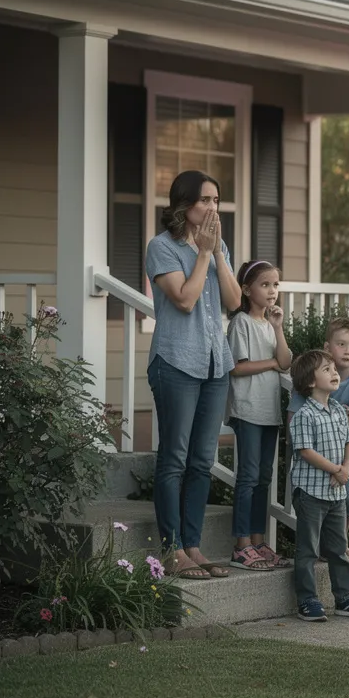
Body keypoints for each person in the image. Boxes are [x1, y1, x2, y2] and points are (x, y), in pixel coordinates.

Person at [145, 170, 240, 580]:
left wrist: (216, 253)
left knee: (202, 461)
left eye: (216, 200)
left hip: (215, 364)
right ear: (184, 205)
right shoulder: (161, 247)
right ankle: (172, 550)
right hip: (176, 362)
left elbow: (234, 301)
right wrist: (202, 254)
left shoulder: (219, 247)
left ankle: (193, 546)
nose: (212, 207)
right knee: (174, 459)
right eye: (205, 200)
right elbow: (184, 300)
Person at [287, 349, 349, 621]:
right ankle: (307, 601)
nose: (335, 373)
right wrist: (335, 469)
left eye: (334, 369)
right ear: (310, 381)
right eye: (327, 370)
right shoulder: (304, 414)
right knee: (308, 550)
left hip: (336, 493)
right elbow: (305, 451)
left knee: (338, 548)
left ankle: (345, 598)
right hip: (310, 493)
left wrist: (345, 468)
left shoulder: (338, 410)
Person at [227, 260, 294, 570]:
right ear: (246, 289)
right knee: (248, 476)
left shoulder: (269, 325)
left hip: (269, 412)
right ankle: (241, 545)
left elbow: (286, 361)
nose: (272, 290)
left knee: (264, 478)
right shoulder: (240, 323)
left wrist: (278, 328)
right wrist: (271, 364)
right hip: (248, 409)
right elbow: (237, 367)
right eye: (265, 284)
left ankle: (258, 541)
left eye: (275, 285)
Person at [288, 318, 349, 564]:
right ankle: (317, 546)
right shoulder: (310, 376)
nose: (347, 351)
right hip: (312, 455)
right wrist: (339, 415)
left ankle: (336, 543)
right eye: (341, 344)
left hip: (343, 454)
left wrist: (342, 468)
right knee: (313, 504)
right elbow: (293, 420)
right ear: (327, 347)